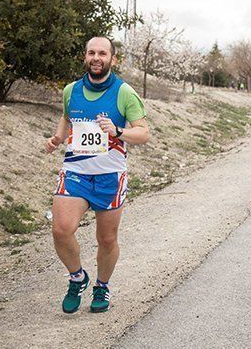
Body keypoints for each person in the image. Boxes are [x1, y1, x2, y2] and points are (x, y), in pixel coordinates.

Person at [45, 36, 149, 313]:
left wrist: (118, 131)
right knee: (61, 230)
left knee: (106, 240)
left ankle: (102, 285)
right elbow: (67, 117)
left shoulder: (124, 92)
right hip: (76, 171)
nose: (96, 57)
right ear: (85, 56)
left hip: (110, 176)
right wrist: (57, 137)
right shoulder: (71, 90)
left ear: (112, 59)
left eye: (102, 53)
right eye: (91, 52)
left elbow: (144, 133)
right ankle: (77, 277)